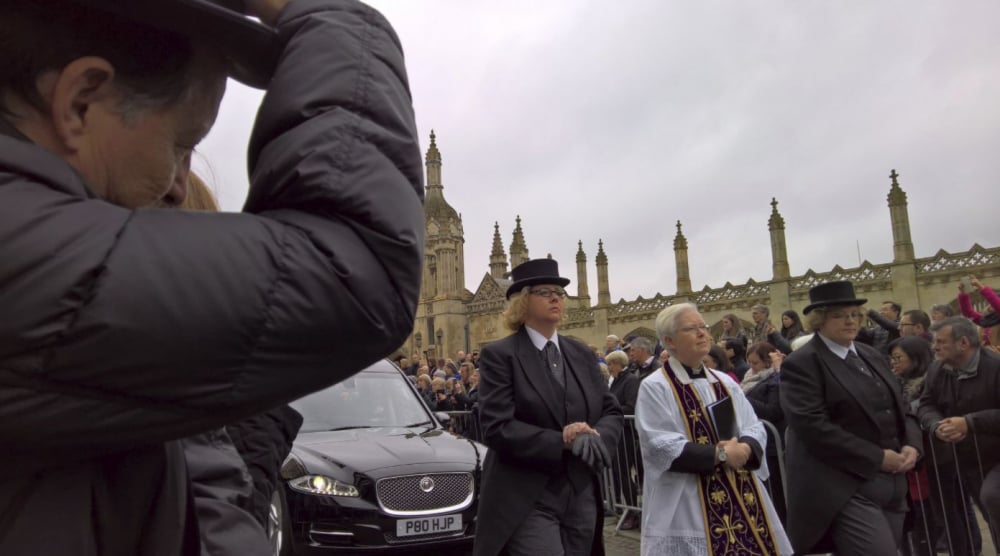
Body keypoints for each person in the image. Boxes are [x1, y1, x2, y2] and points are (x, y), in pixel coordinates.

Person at [0, 0, 424, 554]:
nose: (181, 186)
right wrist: (338, 20)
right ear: (81, 102)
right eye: (181, 145)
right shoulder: (25, 254)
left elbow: (192, 489)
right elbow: (357, 266)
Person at [474, 259, 623, 556]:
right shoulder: (500, 355)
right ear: (521, 302)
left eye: (559, 292)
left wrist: (594, 438)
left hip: (580, 492)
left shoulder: (579, 352)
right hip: (526, 495)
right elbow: (497, 426)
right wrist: (562, 441)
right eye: (545, 292)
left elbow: (612, 411)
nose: (556, 297)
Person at [635, 303, 791, 555]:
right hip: (688, 499)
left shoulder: (725, 381)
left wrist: (745, 447)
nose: (702, 333)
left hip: (740, 490)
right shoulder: (655, 387)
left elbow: (753, 424)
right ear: (669, 341)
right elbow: (659, 444)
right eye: (691, 328)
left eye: (703, 327)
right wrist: (719, 455)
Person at [780, 281, 923, 555]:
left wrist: (913, 446)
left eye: (854, 314)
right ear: (818, 321)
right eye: (839, 315)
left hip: (893, 485)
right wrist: (876, 457)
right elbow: (813, 426)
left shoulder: (871, 356)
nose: (850, 321)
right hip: (845, 488)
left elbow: (902, 408)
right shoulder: (802, 363)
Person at [917, 316, 1000, 554]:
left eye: (941, 342)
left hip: (996, 457)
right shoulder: (937, 369)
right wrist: (936, 425)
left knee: (993, 499)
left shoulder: (995, 367)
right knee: (991, 518)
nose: (934, 347)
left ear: (963, 343)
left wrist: (969, 423)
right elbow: (926, 404)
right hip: (968, 461)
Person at [887, 336, 937, 556]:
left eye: (898, 358)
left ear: (915, 358)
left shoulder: (930, 381)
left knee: (936, 513)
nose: (893, 363)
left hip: (931, 459)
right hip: (907, 464)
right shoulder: (894, 383)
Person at [607, 350, 641, 530]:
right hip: (616, 432)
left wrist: (610, 411)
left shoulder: (630, 381)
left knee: (626, 473)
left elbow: (631, 405)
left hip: (626, 433)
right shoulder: (616, 381)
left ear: (619, 363)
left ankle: (634, 512)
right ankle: (628, 509)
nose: (609, 367)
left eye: (611, 364)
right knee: (619, 474)